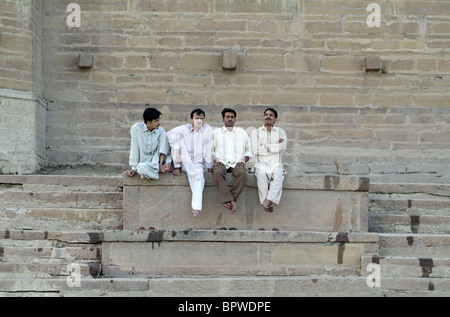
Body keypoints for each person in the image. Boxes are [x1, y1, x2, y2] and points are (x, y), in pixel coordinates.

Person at [167, 109, 214, 218]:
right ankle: (177, 167)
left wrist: (209, 165)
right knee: (177, 142)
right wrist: (178, 148)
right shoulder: (185, 128)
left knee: (199, 178)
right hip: (183, 160)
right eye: (196, 118)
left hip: (197, 163)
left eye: (201, 118)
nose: (199, 121)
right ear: (191, 120)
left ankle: (196, 208)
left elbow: (208, 148)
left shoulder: (207, 129)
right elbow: (170, 133)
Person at [212, 108, 252, 212]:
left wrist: (243, 161)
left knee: (243, 173)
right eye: (227, 117)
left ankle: (230, 199)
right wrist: (215, 161)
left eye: (232, 117)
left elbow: (249, 151)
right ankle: (230, 200)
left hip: (236, 163)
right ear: (223, 119)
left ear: (235, 119)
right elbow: (210, 150)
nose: (230, 119)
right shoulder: (216, 133)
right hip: (221, 162)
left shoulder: (242, 133)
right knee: (217, 172)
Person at [251, 108, 287, 212]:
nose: (268, 116)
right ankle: (267, 202)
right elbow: (256, 150)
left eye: (271, 115)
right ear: (263, 117)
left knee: (279, 175)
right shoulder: (256, 132)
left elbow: (283, 147)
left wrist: (266, 146)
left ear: (275, 119)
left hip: (276, 163)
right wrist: (275, 146)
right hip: (261, 164)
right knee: (261, 175)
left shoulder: (281, 132)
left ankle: (267, 200)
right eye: (266, 115)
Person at [126, 107, 172, 179]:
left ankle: (156, 171)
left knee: (141, 169)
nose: (159, 123)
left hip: (155, 163)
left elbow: (163, 148)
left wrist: (162, 164)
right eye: (156, 121)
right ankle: (155, 176)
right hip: (142, 164)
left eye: (159, 120)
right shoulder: (136, 128)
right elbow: (134, 148)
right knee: (141, 169)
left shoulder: (161, 131)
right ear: (148, 122)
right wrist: (133, 168)